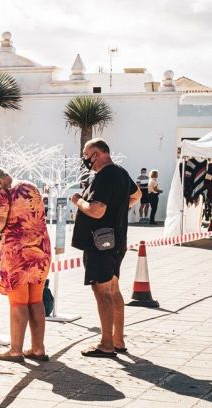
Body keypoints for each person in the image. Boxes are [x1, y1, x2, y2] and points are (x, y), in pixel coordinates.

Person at [71, 138, 141, 358]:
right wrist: (119, 209)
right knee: (113, 289)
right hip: (117, 240)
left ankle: (106, 344)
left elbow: (96, 211)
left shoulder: (103, 176)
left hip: (100, 243)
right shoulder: (120, 172)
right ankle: (118, 341)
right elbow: (137, 195)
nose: (84, 159)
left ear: (97, 154)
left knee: (102, 291)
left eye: (86, 154)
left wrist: (78, 201)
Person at [0, 166, 51, 362]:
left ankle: (15, 350)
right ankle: (38, 348)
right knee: (36, 300)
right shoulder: (30, 186)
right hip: (40, 249)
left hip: (18, 253)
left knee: (18, 302)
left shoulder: (4, 193)